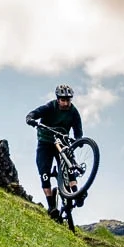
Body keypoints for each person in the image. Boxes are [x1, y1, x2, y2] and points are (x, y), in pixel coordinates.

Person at [26, 84, 83, 220]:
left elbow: (78, 129)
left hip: (61, 141)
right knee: (44, 173)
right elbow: (35, 113)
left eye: (68, 100)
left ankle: (76, 193)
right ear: (58, 99)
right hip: (45, 141)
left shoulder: (73, 112)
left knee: (70, 165)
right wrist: (30, 118)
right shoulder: (50, 107)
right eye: (63, 100)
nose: (65, 102)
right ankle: (51, 207)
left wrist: (79, 140)